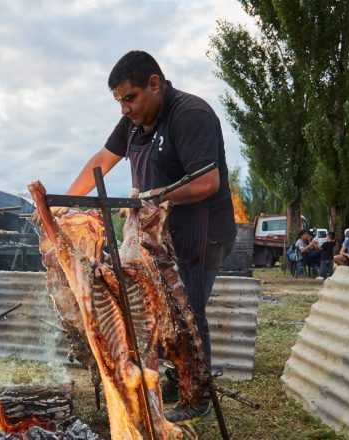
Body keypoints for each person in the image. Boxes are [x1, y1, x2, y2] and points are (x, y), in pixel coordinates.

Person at [57, 50, 235, 421]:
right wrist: (63, 205)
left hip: (201, 232)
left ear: (155, 83)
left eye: (129, 98)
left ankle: (195, 394)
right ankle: (172, 376)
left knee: (186, 312)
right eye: (119, 101)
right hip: (157, 233)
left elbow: (207, 181)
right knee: (154, 309)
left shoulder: (190, 114)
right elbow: (101, 162)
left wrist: (152, 196)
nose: (124, 108)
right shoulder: (135, 123)